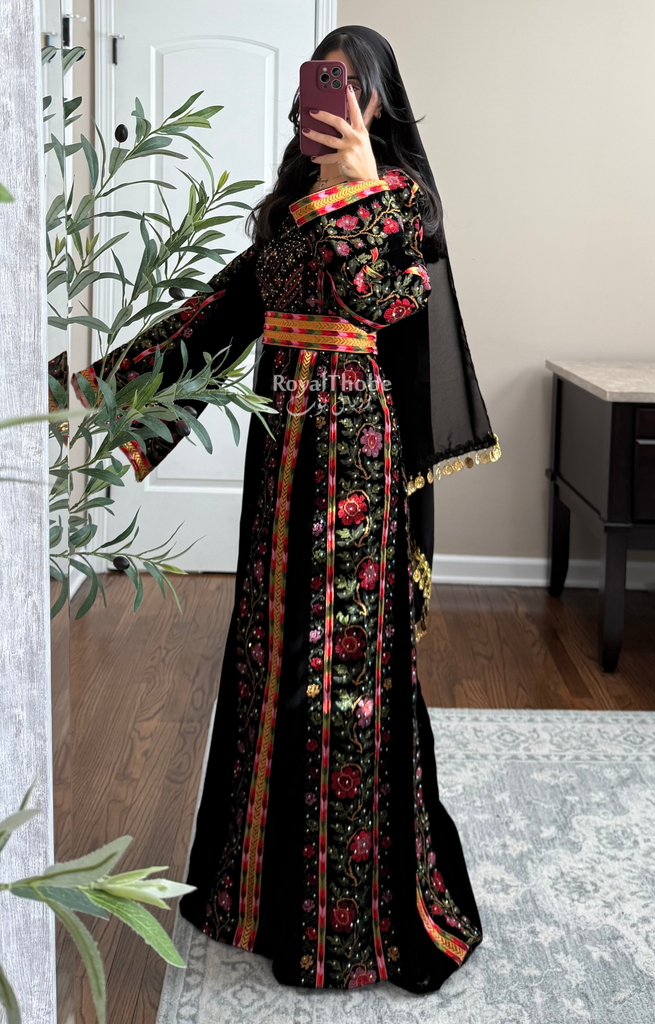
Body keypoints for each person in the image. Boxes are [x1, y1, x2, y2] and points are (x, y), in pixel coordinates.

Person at [72, 25, 499, 994]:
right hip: (282, 454)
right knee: (270, 648)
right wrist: (106, 389)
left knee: (340, 662)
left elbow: (382, 305)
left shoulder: (402, 203)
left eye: (349, 86)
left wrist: (359, 190)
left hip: (355, 455)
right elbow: (221, 311)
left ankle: (348, 924)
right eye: (321, 83)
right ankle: (253, 895)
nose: (331, 101)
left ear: (377, 100)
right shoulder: (288, 206)